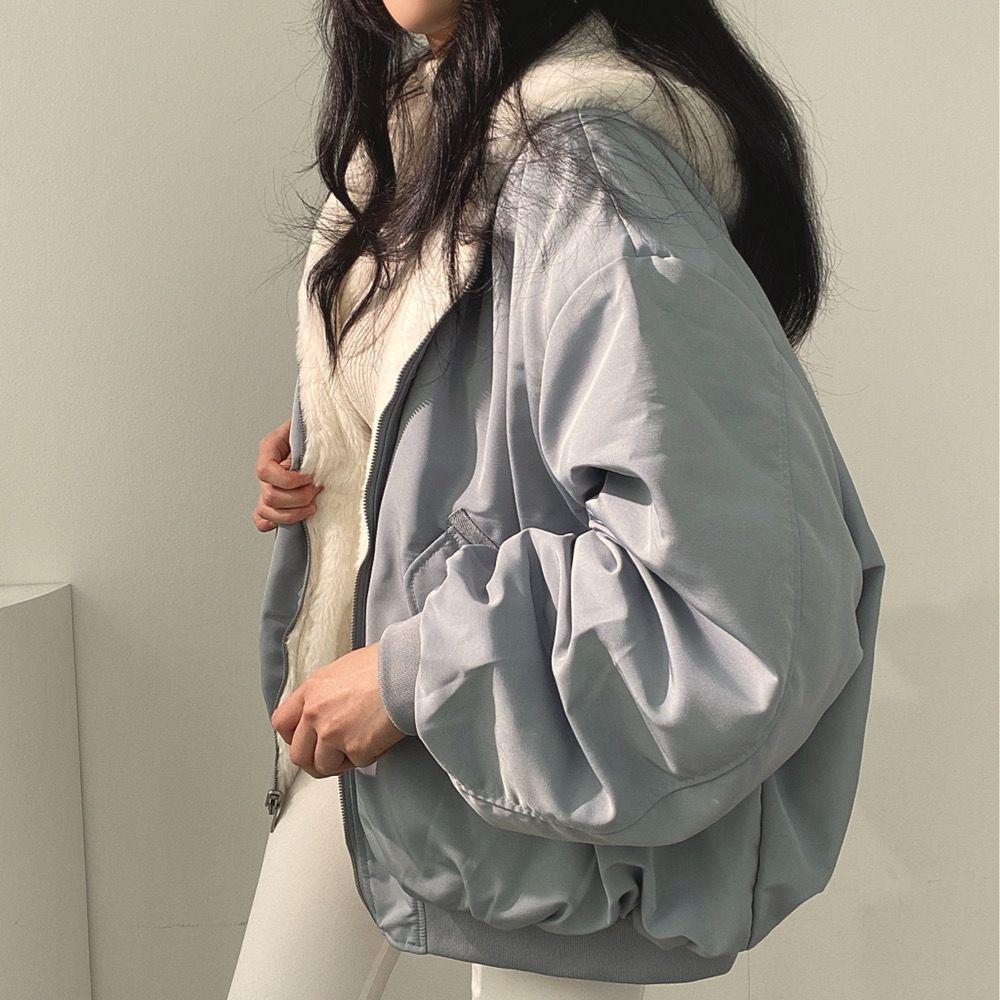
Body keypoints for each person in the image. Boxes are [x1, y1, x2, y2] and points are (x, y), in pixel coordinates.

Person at [229, 2, 886, 998]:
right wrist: (345, 456)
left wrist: (415, 673)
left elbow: (729, 588)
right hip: (388, 724)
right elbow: (479, 417)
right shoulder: (418, 138)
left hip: (527, 753)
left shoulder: (582, 168)